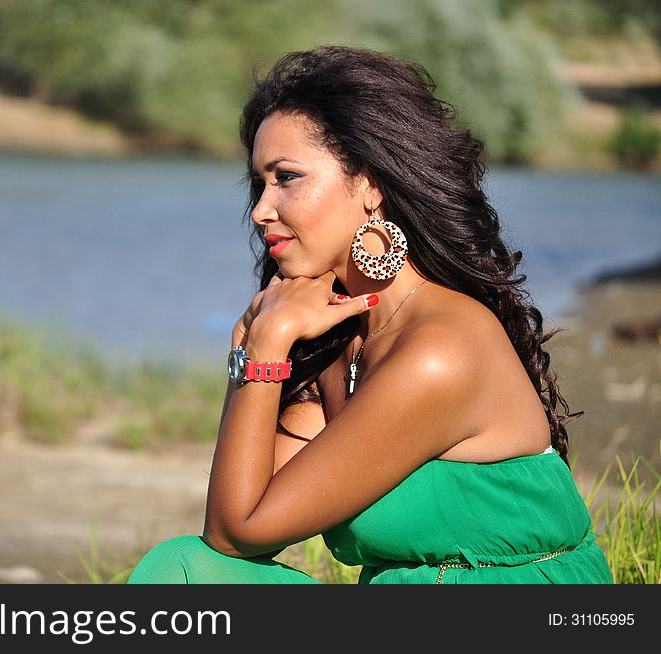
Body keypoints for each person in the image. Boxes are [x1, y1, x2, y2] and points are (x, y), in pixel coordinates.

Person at [127, 45, 613, 584]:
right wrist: (255, 344)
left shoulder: (440, 347)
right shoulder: (343, 346)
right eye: (258, 183)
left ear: (370, 184)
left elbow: (239, 529)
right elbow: (233, 535)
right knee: (186, 571)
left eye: (286, 177)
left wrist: (262, 349)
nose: (262, 210)